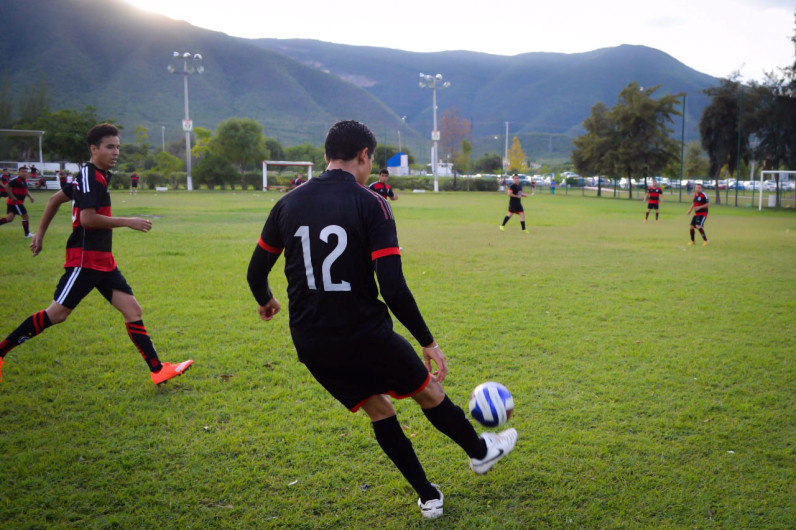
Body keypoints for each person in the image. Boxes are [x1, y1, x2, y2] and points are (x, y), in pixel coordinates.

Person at [247, 120, 517, 520]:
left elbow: (255, 273)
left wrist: (267, 301)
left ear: (326, 156)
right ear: (364, 156)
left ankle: (428, 495)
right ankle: (480, 453)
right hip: (363, 333)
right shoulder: (370, 202)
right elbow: (392, 288)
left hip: (311, 340)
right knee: (429, 393)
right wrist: (427, 340)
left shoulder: (287, 203)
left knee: (380, 410)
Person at [0, 124, 193, 385]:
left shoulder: (95, 175)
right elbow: (88, 219)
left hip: (103, 261)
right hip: (85, 260)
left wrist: (40, 234)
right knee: (57, 314)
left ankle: (158, 370)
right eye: (109, 147)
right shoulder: (90, 176)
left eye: (118, 147)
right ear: (94, 149)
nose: (116, 152)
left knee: (132, 309)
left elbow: (54, 200)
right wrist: (127, 221)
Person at [0, 165, 35, 237]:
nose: (24, 173)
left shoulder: (24, 180)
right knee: (25, 217)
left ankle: (27, 234)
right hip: (15, 202)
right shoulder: (16, 180)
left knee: (9, 218)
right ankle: (27, 234)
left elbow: (25, 190)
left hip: (13, 202)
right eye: (22, 172)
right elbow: (7, 186)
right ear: (19, 173)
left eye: (25, 172)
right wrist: (12, 196)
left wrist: (30, 197)